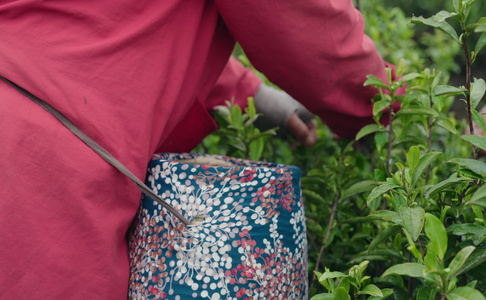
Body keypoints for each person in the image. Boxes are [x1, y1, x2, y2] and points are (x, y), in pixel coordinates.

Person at [0, 0, 399, 298]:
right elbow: (305, 28)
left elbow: (107, 18)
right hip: (39, 170)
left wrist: (249, 94)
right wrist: (391, 99)